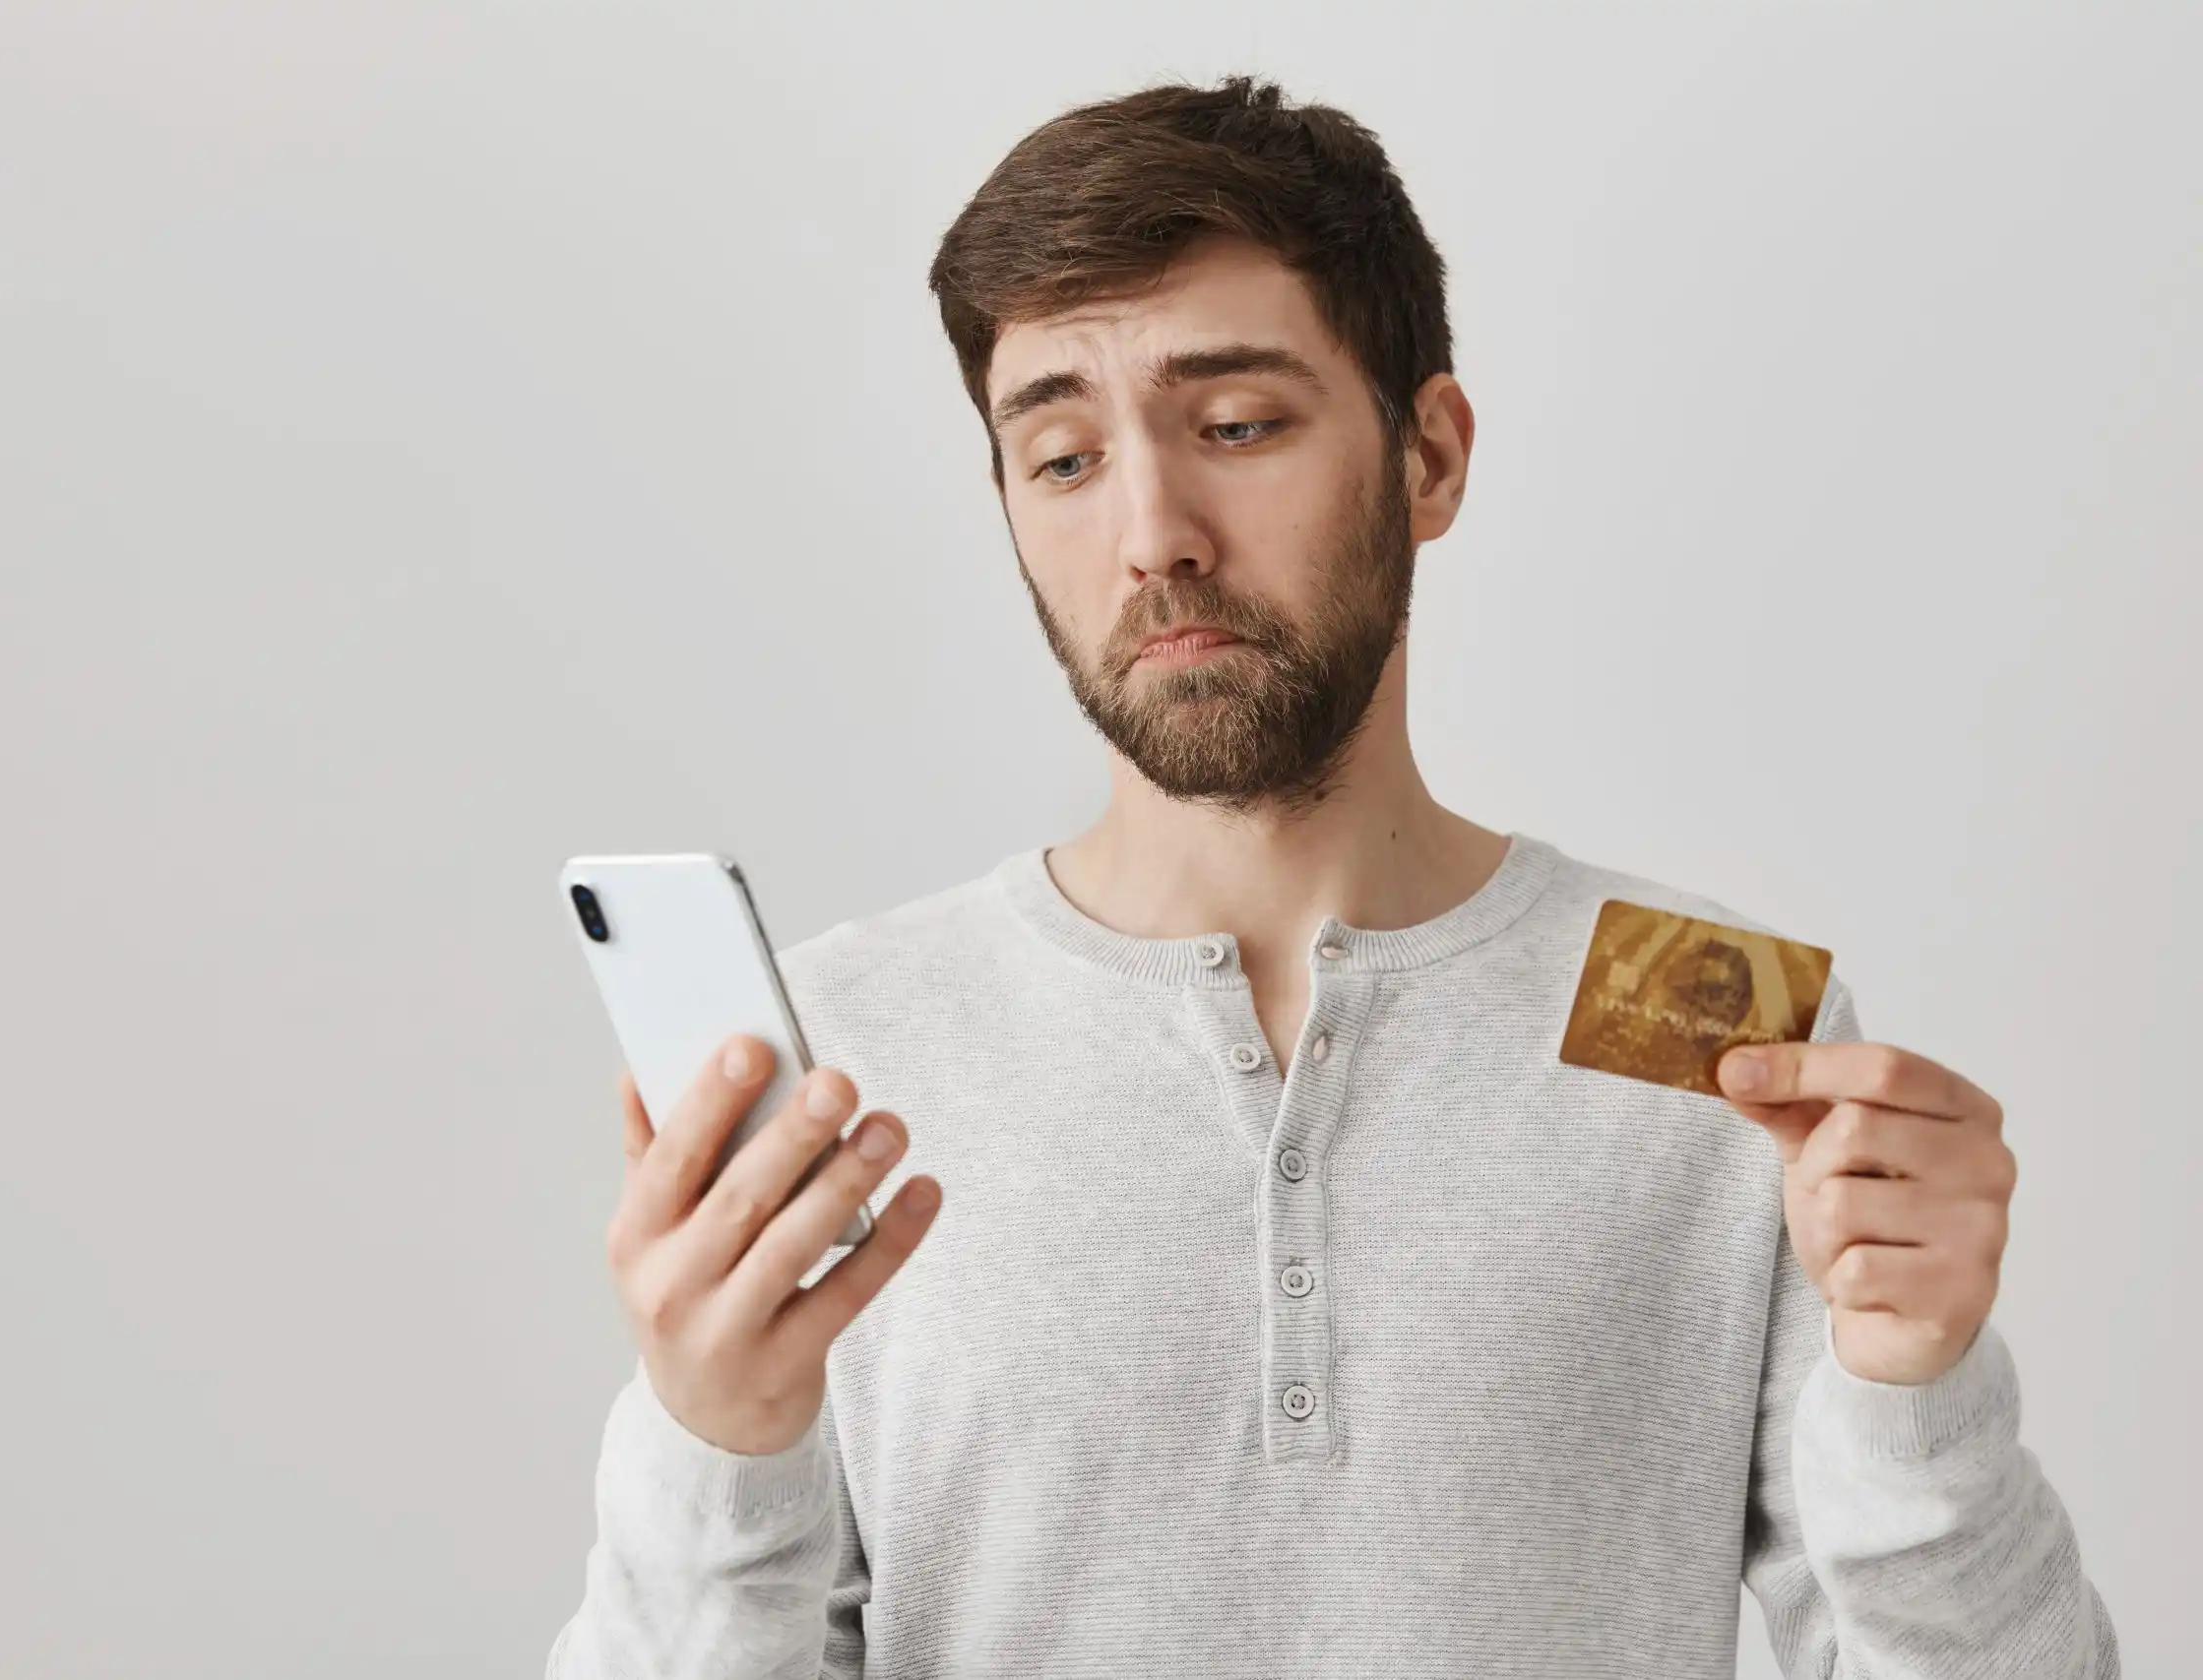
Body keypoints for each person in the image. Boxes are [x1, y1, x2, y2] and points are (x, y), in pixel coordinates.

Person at [545, 75, 2118, 1678]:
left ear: (1428, 457)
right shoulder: (838, 1050)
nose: (1154, 530)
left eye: (1235, 426)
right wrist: (710, 1448)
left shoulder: (1706, 1011)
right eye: (1068, 458)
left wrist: (1922, 1401)